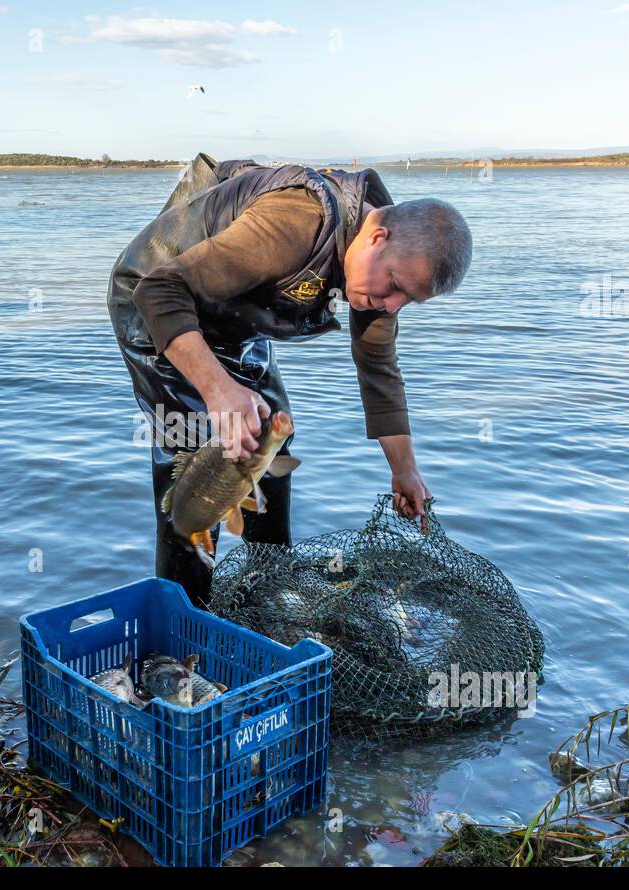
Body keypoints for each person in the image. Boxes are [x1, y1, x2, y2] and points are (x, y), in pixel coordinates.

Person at [108, 154, 472, 606]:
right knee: (200, 472)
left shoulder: (385, 267)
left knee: (272, 441)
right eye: (395, 286)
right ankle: (180, 636)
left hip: (233, 320)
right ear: (378, 237)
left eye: (408, 300)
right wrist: (218, 390)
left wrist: (405, 471)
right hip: (156, 306)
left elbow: (378, 369)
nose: (392, 305)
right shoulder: (297, 222)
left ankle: (267, 597)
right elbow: (159, 291)